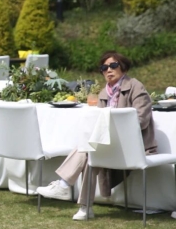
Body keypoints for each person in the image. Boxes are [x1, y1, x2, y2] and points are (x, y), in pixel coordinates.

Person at [36, 51, 156, 220]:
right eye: (104, 68)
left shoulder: (136, 87)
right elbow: (97, 124)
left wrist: (112, 128)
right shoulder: (104, 93)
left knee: (89, 147)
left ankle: (70, 191)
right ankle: (82, 204)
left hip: (135, 146)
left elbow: (141, 121)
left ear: (123, 67)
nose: (109, 70)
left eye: (113, 65)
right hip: (110, 144)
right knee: (89, 148)